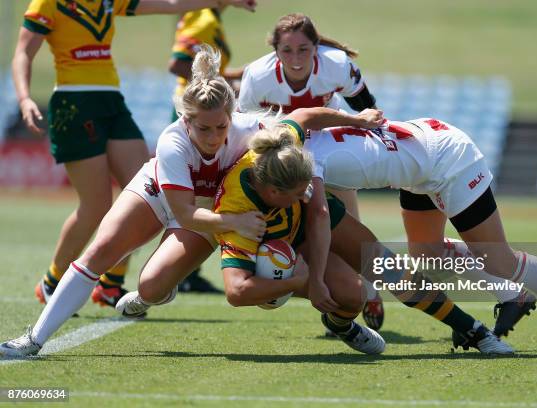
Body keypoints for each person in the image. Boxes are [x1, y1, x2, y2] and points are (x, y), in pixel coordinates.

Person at [0, 46, 386, 358]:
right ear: (186, 121)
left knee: (345, 291)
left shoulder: (246, 130)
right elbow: (184, 213)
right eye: (203, 128)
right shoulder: (172, 143)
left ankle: (342, 320)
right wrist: (235, 224)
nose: (214, 136)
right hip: (173, 199)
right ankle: (33, 339)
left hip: (217, 210)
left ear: (231, 115)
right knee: (104, 255)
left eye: (221, 126)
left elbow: (303, 115)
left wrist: (358, 121)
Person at [119, 118, 514, 355]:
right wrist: (299, 280)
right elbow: (237, 292)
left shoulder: (287, 154)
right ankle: (148, 294)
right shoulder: (239, 210)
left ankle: (472, 330)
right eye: (297, 194)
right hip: (255, 243)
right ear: (271, 192)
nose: (307, 195)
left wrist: (355, 119)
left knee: (370, 282)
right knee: (155, 285)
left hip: (300, 236)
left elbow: (307, 118)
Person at [13, 0, 256, 308]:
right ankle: (52, 281)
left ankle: (111, 283)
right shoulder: (49, 4)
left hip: (111, 101)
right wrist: (24, 98)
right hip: (73, 103)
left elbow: (169, 4)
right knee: (96, 204)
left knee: (142, 190)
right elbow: (23, 51)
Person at [293, 117, 537, 355]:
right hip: (420, 163)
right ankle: (513, 295)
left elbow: (321, 215)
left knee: (499, 259)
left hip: (448, 159)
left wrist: (316, 276)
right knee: (428, 255)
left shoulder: (304, 160)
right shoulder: (297, 127)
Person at [237, 12, 384, 332]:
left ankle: (368, 289)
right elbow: (244, 127)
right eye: (287, 51)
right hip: (282, 154)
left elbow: (364, 105)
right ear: (274, 50)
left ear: (316, 47)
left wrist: (371, 126)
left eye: (303, 49)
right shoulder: (257, 76)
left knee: (347, 224)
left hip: (328, 144)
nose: (296, 58)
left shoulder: (336, 63)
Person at [168, 6, 245, 293]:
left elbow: (215, 72)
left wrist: (234, 77)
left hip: (204, 118)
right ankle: (179, 268)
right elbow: (177, 63)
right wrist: (211, 94)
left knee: (204, 194)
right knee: (186, 198)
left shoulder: (213, 19)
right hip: (195, 117)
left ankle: (188, 269)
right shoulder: (202, 17)